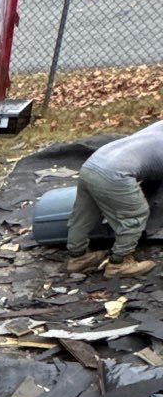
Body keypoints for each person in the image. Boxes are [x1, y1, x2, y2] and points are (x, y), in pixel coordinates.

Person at [67, 117, 163, 277]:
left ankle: (78, 257)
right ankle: (119, 263)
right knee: (135, 216)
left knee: (84, 215)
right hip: (116, 173)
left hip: (92, 164)